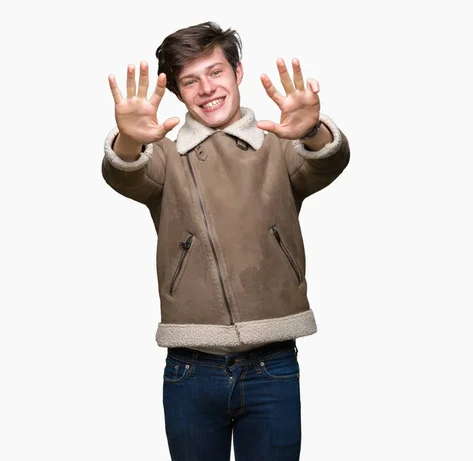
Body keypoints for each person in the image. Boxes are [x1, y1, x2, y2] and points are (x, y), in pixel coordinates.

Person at [101, 20, 350, 461]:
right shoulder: (166, 157)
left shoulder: (279, 145)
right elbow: (129, 174)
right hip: (190, 369)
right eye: (190, 81)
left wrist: (312, 129)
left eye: (215, 72)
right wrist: (126, 140)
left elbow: (324, 162)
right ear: (178, 93)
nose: (206, 89)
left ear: (237, 72)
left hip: (271, 366)